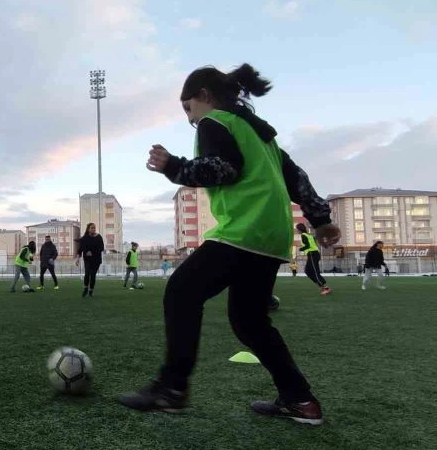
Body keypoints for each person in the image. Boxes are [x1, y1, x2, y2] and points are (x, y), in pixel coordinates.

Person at [116, 63, 341, 425]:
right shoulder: (261, 134)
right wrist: (321, 218)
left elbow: (223, 169)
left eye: (188, 108)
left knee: (181, 292)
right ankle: (300, 400)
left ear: (204, 96)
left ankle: (171, 389)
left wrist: (173, 166)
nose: (190, 119)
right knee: (249, 321)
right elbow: (296, 177)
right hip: (273, 237)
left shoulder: (215, 122)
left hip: (244, 230)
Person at [298, 224, 331, 295]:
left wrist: (301, 249)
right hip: (313, 254)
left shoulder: (303, 235)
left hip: (312, 254)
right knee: (307, 271)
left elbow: (308, 245)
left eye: (297, 229)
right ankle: (322, 285)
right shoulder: (309, 235)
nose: (297, 231)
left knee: (315, 272)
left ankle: (325, 288)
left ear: (299, 229)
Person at [75, 223, 104, 297]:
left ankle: (91, 290)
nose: (93, 229)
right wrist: (77, 259)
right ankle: (85, 288)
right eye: (92, 228)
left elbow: (101, 248)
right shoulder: (85, 238)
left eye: (94, 228)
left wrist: (92, 252)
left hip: (96, 259)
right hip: (87, 259)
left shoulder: (98, 237)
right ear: (88, 229)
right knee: (87, 274)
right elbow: (80, 249)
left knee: (93, 275)